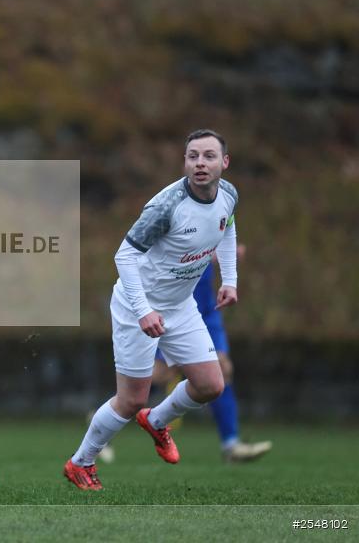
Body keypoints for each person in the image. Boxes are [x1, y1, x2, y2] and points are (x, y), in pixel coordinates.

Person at [65, 129, 238, 490]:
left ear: (225, 162)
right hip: (135, 306)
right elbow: (124, 255)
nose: (200, 163)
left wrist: (230, 280)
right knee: (130, 399)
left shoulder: (228, 195)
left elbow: (227, 228)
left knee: (210, 384)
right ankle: (81, 462)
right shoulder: (167, 206)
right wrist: (143, 311)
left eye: (208, 156)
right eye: (193, 156)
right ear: (185, 162)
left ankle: (157, 421)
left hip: (180, 306)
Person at [152, 247, 272, 462]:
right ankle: (108, 416)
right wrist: (217, 253)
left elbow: (212, 237)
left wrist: (223, 252)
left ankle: (231, 444)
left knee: (222, 368)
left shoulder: (216, 215)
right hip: (174, 308)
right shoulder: (169, 215)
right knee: (158, 375)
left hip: (206, 310)